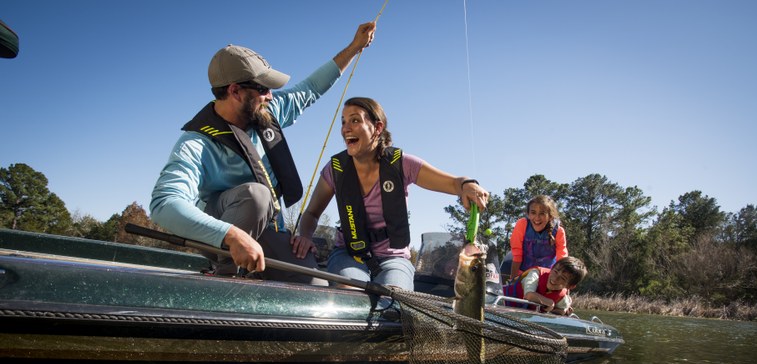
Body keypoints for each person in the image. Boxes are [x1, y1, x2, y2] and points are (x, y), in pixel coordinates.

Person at [150, 21, 376, 283]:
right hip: (220, 235)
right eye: (263, 89)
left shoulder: (268, 112)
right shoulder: (195, 144)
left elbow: (311, 89)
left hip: (265, 232)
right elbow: (163, 204)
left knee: (315, 283)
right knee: (256, 195)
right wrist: (232, 235)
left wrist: (354, 47)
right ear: (235, 91)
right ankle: (225, 274)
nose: (270, 96)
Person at [291, 97, 490, 307]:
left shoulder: (402, 164)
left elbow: (453, 184)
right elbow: (311, 213)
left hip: (394, 258)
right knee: (349, 300)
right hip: (348, 253)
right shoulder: (335, 169)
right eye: (343, 122)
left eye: (355, 120)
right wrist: (305, 235)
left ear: (377, 127)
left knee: (393, 304)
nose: (346, 128)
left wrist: (468, 184)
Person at [504, 195, 568, 282]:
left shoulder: (558, 231)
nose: (537, 218)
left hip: (547, 277)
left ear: (550, 216)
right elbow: (517, 253)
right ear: (528, 214)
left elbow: (562, 260)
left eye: (542, 213)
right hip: (523, 274)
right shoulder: (522, 225)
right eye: (533, 212)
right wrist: (513, 280)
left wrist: (564, 285)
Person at [502, 256, 587, 315]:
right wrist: (550, 303)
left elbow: (562, 310)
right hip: (502, 302)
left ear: (570, 286)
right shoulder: (536, 274)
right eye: (555, 272)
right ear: (552, 268)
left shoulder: (562, 297)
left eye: (563, 278)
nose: (555, 278)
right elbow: (529, 295)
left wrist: (562, 310)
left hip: (522, 315)